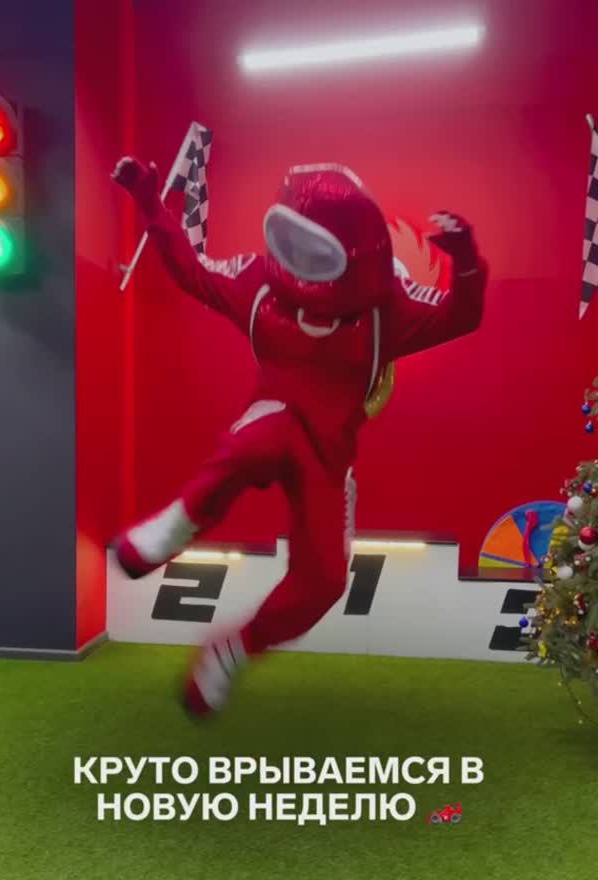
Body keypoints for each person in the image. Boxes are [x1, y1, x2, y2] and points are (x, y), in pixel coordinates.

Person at [111, 157, 487, 715]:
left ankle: (233, 652)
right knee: (260, 442)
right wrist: (149, 203)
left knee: (326, 583)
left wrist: (466, 263)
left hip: (329, 455)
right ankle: (179, 522)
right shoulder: (259, 284)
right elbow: (191, 271)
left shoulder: (387, 308)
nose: (304, 268)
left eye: (319, 254)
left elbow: (461, 316)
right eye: (294, 245)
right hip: (271, 422)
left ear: (357, 257)